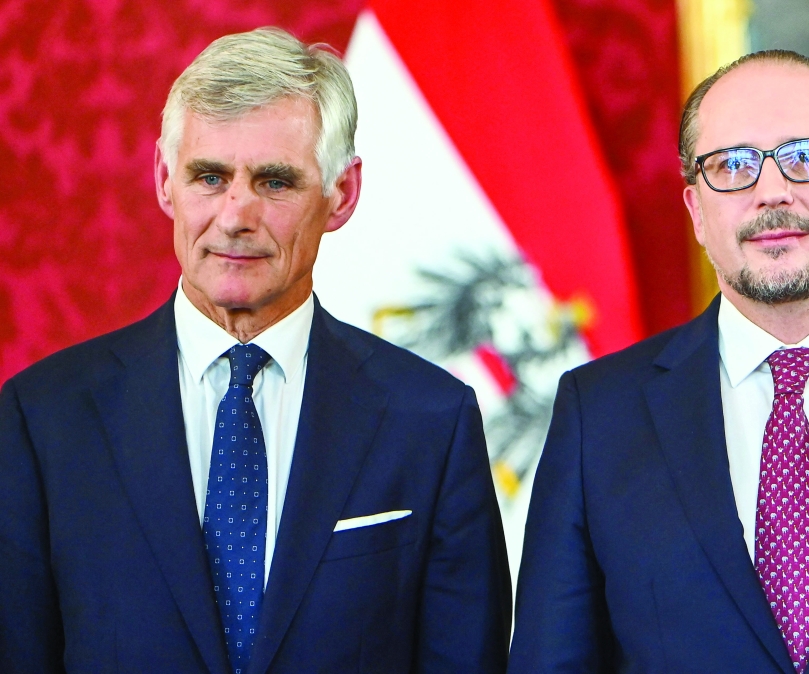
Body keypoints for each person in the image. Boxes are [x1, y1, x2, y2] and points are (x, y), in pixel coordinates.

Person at [0, 27, 510, 673]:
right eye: (210, 177)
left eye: (274, 182)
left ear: (342, 194)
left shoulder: (431, 420)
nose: (236, 215)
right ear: (164, 180)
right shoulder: (43, 418)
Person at [508, 49, 809, 673]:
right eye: (733, 165)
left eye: (808, 156)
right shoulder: (599, 414)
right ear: (696, 213)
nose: (771, 191)